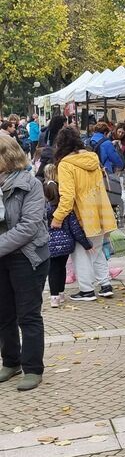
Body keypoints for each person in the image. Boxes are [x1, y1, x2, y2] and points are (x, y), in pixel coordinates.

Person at [0, 137, 50, 391]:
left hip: (27, 257)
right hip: (2, 257)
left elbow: (28, 227)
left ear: (6, 157)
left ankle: (32, 368)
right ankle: (11, 362)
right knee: (3, 313)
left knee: (28, 315)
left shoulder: (31, 184)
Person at [51, 127, 117, 302]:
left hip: (83, 216)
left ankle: (87, 290)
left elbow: (67, 197)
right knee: (96, 250)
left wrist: (57, 218)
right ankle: (105, 285)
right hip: (101, 212)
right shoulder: (92, 158)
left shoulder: (65, 164)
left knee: (81, 253)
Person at [42, 167, 92, 308]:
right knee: (62, 267)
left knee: (52, 270)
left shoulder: (43, 210)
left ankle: (54, 298)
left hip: (50, 244)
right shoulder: (66, 210)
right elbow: (76, 229)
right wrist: (87, 244)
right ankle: (62, 293)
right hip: (66, 244)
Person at [35, 115, 66, 181]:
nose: (66, 125)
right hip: (53, 158)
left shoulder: (46, 132)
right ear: (60, 124)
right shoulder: (62, 135)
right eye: (64, 123)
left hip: (45, 157)